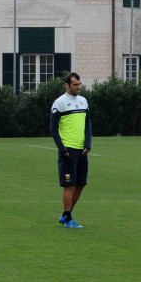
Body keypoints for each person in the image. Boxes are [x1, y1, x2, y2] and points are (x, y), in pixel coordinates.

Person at [50, 72, 91, 229]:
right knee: (69, 185)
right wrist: (62, 149)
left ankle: (66, 214)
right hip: (68, 150)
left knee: (80, 184)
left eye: (80, 84)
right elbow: (53, 128)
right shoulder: (60, 103)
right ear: (67, 85)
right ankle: (68, 219)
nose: (78, 87)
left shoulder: (83, 101)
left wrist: (88, 144)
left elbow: (88, 124)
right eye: (75, 84)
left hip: (82, 151)